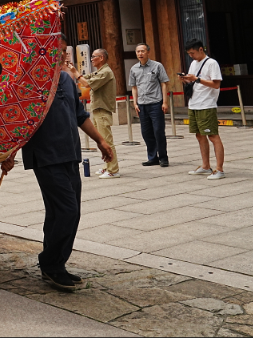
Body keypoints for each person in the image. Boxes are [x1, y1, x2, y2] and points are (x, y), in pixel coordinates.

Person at [18, 34, 113, 292]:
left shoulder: (65, 80)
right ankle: (50, 263)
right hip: (46, 157)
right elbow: (19, 123)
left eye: (64, 52)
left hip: (70, 154)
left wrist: (101, 142)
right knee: (66, 211)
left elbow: (80, 115)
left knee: (68, 213)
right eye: (57, 52)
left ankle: (56, 263)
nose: (63, 56)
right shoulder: (30, 84)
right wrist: (8, 155)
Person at [179, 40, 225, 180]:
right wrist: (186, 79)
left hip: (207, 104)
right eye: (189, 54)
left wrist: (197, 79)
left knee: (212, 135)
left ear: (200, 49)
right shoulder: (193, 63)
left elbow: (216, 84)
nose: (191, 56)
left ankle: (220, 169)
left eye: (192, 53)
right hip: (194, 103)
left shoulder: (212, 63)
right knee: (199, 135)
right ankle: (206, 166)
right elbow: (194, 81)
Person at [76, 48, 120, 178]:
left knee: (106, 140)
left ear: (101, 58)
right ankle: (107, 166)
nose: (91, 59)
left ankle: (113, 169)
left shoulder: (106, 72)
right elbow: (84, 79)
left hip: (103, 109)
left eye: (93, 56)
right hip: (97, 109)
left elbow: (87, 84)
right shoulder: (99, 72)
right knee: (101, 140)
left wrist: (75, 72)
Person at [129, 43, 170, 167]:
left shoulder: (157, 66)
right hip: (142, 105)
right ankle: (152, 157)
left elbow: (164, 83)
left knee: (158, 131)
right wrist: (135, 103)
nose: (140, 54)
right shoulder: (134, 69)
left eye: (142, 51)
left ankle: (163, 157)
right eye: (138, 51)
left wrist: (165, 102)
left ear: (148, 52)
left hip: (156, 103)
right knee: (146, 132)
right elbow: (134, 87)